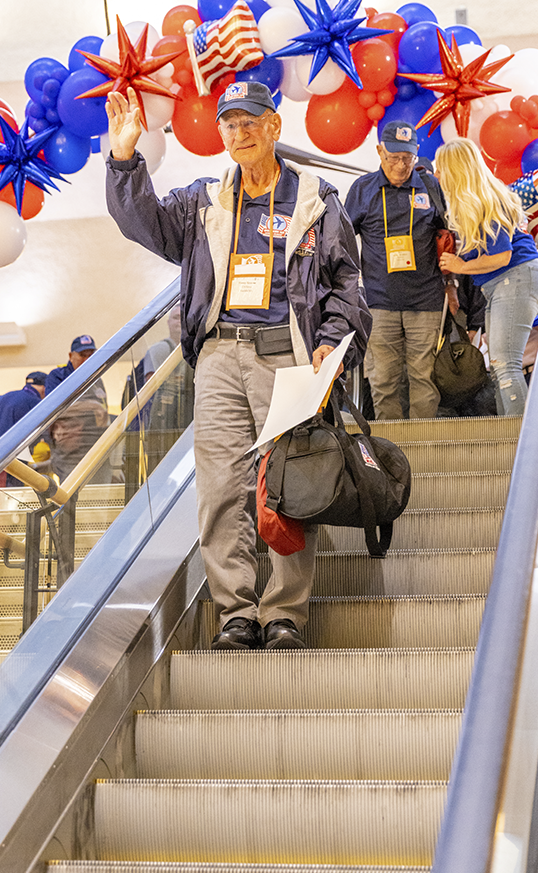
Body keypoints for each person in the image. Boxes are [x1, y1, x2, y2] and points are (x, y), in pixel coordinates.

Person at [105, 80, 371, 651]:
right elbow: (143, 222)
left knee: (289, 485)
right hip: (221, 354)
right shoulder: (204, 200)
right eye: (229, 123)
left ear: (275, 126)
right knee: (221, 487)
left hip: (291, 356)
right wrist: (124, 157)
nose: (239, 132)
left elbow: (348, 283)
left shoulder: (315, 200)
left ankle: (284, 614)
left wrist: (332, 341)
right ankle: (235, 612)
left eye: (250, 120)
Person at [435, 137, 538, 417]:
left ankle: (521, 445)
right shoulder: (483, 198)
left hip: (514, 280)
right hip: (507, 285)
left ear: (455, 171)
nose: (436, 175)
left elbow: (502, 257)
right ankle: (509, 441)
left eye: (441, 168)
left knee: (506, 364)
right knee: (500, 367)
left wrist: (460, 266)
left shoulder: (484, 201)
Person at [345, 121, 446, 420]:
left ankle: (425, 454)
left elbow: (449, 231)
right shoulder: (363, 189)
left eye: (408, 158)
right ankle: (393, 459)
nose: (402, 166)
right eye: (394, 158)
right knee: (383, 381)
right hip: (379, 301)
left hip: (426, 300)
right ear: (379, 152)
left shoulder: (430, 187)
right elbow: (342, 241)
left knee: (424, 381)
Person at [44, 335, 112, 483]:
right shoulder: (57, 377)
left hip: (96, 449)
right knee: (73, 494)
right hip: (69, 452)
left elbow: (103, 413)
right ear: (71, 356)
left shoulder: (97, 380)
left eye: (91, 355)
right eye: (82, 355)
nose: (87, 359)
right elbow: (54, 409)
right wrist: (92, 406)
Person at [0, 371, 47, 487]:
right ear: (44, 388)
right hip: (9, 463)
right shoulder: (36, 403)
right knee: (8, 499)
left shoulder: (0, 398)